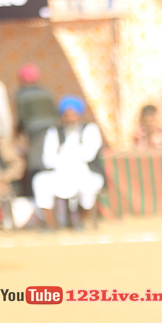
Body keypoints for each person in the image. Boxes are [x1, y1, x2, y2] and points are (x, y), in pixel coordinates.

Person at [32, 96, 103, 230]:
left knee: (88, 187)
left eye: (73, 115)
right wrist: (71, 154)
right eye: (67, 115)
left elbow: (88, 155)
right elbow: (48, 160)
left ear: (79, 115)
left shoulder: (90, 129)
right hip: (60, 172)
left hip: (84, 172)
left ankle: (80, 220)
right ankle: (51, 224)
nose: (70, 119)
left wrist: (63, 153)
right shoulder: (54, 132)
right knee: (40, 182)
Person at [15, 63, 59, 192]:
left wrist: (19, 132)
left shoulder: (22, 94)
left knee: (35, 159)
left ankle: (34, 190)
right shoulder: (45, 92)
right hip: (52, 127)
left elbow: (22, 116)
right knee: (49, 155)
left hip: (35, 130)